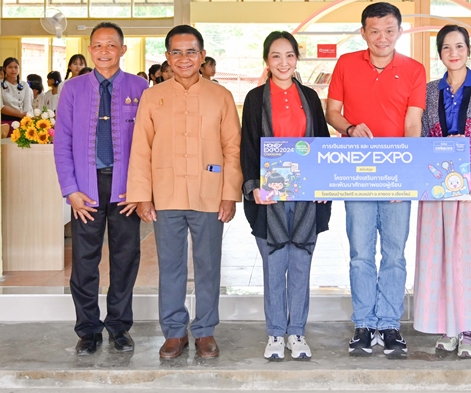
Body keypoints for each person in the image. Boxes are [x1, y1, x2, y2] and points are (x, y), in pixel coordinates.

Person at [127, 25, 242, 360]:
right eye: (176, 52)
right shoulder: (152, 96)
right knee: (171, 265)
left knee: (208, 265)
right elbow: (141, 149)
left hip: (209, 193)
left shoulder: (220, 96)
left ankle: (205, 330)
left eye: (191, 51)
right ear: (167, 57)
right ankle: (174, 332)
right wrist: (141, 195)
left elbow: (232, 148)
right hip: (165, 194)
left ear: (202, 56)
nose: (184, 58)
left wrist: (229, 193)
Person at [326, 2, 426, 356]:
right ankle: (364, 322)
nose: (381, 37)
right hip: (356, 174)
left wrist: (406, 177)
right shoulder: (346, 64)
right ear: (363, 32)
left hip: (397, 174)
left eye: (389, 30)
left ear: (400, 31)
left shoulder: (414, 70)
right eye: (374, 30)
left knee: (396, 253)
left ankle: (390, 323)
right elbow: (332, 112)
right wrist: (350, 128)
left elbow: (413, 124)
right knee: (360, 253)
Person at [53, 22, 147, 355]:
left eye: (111, 45)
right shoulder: (73, 89)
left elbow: (149, 143)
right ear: (90, 50)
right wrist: (70, 189)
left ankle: (120, 327)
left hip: (125, 191)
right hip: (86, 190)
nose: (104, 51)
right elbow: (61, 141)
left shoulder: (141, 87)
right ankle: (88, 329)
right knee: (84, 261)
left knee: (125, 259)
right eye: (97, 45)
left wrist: (140, 190)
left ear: (123, 50)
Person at [413, 25, 471, 358]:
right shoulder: (427, 91)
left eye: (460, 47)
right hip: (437, 188)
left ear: (468, 50)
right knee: (440, 257)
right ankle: (447, 327)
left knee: (470, 259)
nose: (454, 53)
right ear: (440, 53)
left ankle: (468, 330)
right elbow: (420, 136)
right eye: (447, 48)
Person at [241, 31, 332, 360]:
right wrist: (254, 187)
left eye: (289, 55)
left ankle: (298, 333)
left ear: (297, 59)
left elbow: (320, 144)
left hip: (306, 199)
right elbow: (249, 146)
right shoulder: (255, 99)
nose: (283, 62)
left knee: (301, 267)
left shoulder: (310, 97)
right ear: (267, 60)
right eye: (276, 56)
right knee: (274, 266)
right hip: (269, 200)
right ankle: (276, 333)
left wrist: (323, 185)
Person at [1, 57, 33, 125]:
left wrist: (24, 117)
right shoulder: (1, 84)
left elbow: (27, 104)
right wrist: (19, 114)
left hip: (23, 120)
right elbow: (1, 107)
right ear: (4, 69)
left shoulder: (25, 85)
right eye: (10, 67)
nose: (13, 70)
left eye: (16, 67)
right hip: (5, 120)